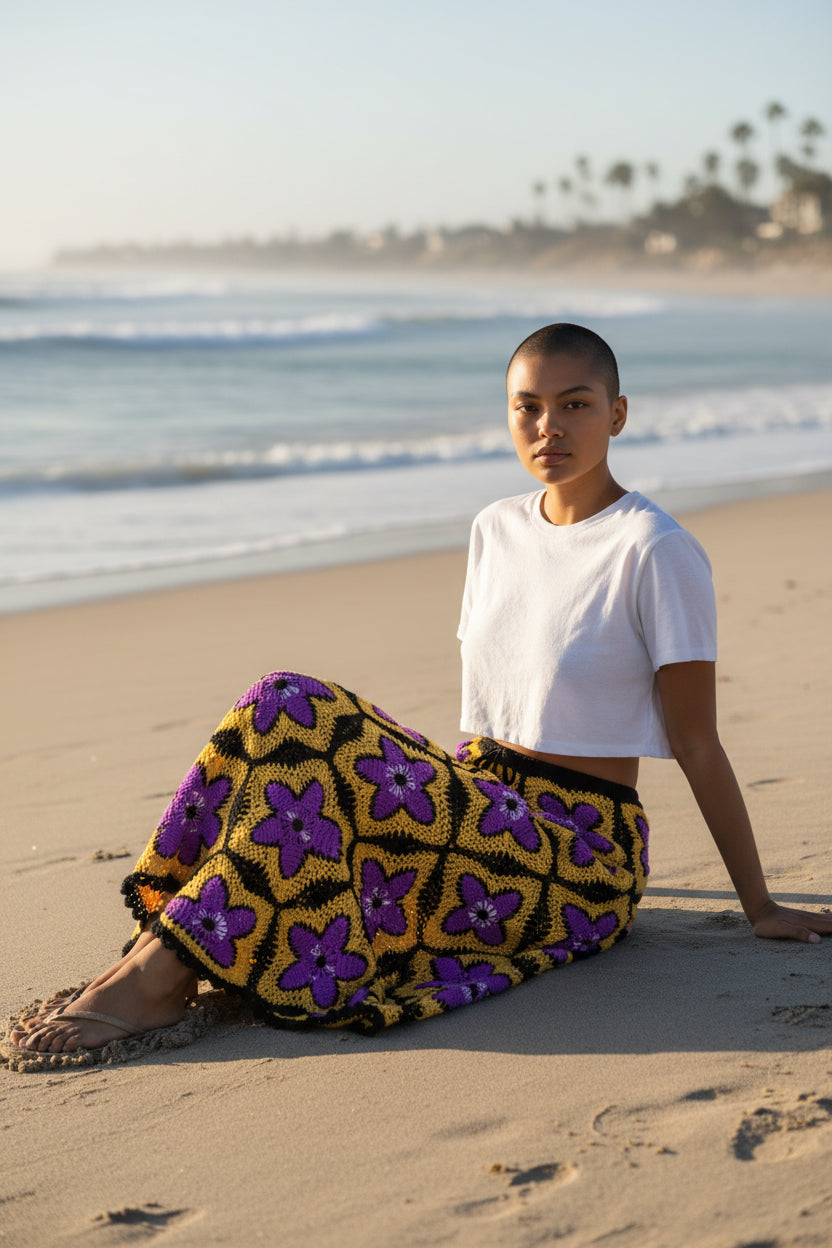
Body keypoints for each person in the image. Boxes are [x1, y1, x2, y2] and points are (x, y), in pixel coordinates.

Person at [10, 322, 831, 1060]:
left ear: (616, 415)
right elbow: (503, 702)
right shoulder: (495, 529)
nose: (549, 427)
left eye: (576, 405)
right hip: (480, 798)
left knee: (307, 709)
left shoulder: (654, 549)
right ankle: (175, 935)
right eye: (528, 408)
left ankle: (161, 971)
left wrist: (758, 905)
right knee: (277, 704)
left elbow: (697, 742)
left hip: (576, 853)